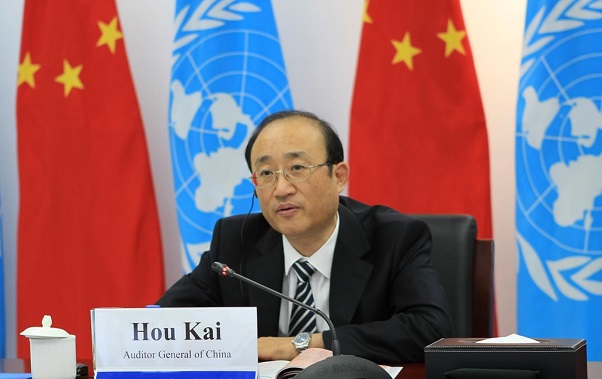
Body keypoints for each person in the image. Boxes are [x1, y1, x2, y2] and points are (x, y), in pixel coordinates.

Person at [157, 110, 453, 364]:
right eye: (266, 173)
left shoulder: (394, 237)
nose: (281, 188)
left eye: (297, 168)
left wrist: (298, 344)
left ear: (338, 176)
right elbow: (166, 323)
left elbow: (428, 329)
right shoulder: (235, 240)